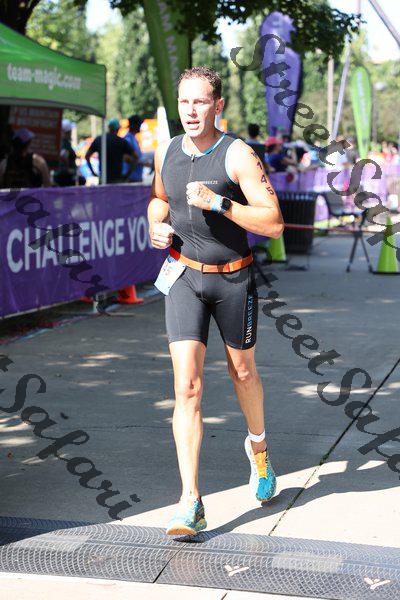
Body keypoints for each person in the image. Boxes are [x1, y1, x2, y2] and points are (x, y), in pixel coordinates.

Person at [147, 66, 284, 536]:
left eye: (200, 101)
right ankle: (190, 501)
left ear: (218, 105)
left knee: (242, 372)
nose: (190, 111)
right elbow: (159, 199)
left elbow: (273, 223)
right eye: (184, 101)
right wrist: (155, 224)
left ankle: (259, 450)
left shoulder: (237, 154)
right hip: (184, 276)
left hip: (233, 279)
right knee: (186, 387)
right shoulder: (167, 150)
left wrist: (220, 203)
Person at [85, 118, 137, 184]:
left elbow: (87, 156)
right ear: (118, 129)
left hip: (103, 179)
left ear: (109, 128)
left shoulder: (99, 139)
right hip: (117, 179)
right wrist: (127, 175)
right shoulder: (121, 141)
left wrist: (93, 172)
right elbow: (135, 158)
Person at [53, 118, 78, 186]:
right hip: (65, 177)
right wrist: (68, 169)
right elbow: (63, 155)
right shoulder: (65, 143)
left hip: (61, 175)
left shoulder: (60, 141)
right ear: (68, 132)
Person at [123, 115, 144, 182]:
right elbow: (127, 158)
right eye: (139, 124)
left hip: (136, 177)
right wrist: (143, 162)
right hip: (131, 178)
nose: (140, 126)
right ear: (135, 125)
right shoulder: (128, 139)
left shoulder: (133, 138)